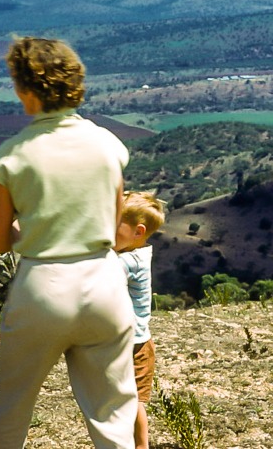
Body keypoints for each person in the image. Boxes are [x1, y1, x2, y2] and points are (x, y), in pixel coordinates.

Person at [0, 36, 138, 449]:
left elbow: (0, 243)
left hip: (43, 287)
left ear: (23, 89)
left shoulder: (11, 156)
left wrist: (20, 226)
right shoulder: (109, 145)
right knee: (113, 412)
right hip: (104, 281)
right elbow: (112, 219)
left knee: (12, 404)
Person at [114, 191, 165, 449]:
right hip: (135, 341)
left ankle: (141, 445)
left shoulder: (129, 261)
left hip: (135, 346)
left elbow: (100, 271)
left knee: (134, 402)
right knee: (129, 400)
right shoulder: (138, 252)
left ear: (138, 231)